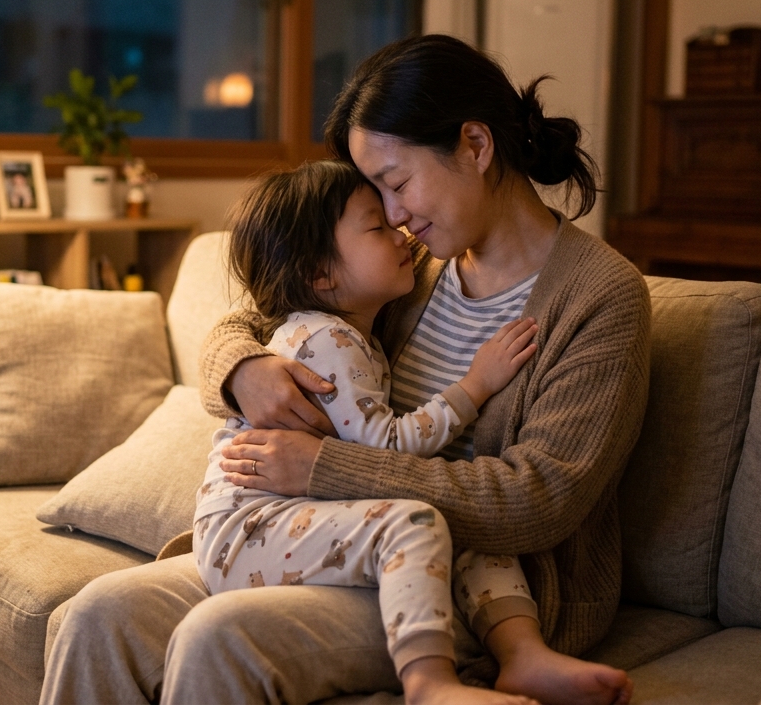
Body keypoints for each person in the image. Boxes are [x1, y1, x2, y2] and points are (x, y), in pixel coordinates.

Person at [42, 34, 650, 705]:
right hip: (341, 534)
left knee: (220, 637)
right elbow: (260, 314)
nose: (393, 215)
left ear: (475, 146)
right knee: (97, 617)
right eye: (379, 195)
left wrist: (322, 468)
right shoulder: (413, 265)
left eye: (397, 183)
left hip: (469, 579)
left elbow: (539, 502)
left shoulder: (599, 297)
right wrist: (244, 370)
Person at [194, 160, 541, 705]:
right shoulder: (327, 339)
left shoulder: (350, 325)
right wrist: (475, 385)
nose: (402, 230)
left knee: (469, 528)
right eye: (378, 226)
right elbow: (386, 447)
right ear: (320, 276)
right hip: (251, 530)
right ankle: (429, 683)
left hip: (276, 524)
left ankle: (526, 655)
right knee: (415, 522)